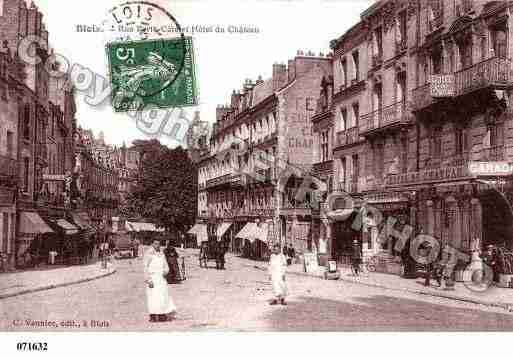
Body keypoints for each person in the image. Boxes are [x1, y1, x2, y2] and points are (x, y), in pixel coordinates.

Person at [144, 240, 177, 322]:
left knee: (162, 296)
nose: (157, 245)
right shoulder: (148, 254)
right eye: (155, 243)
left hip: (161, 278)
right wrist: (148, 279)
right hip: (152, 278)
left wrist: (166, 271)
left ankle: (162, 314)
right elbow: (145, 268)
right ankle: (153, 315)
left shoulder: (162, 254)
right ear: (152, 244)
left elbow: (166, 265)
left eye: (158, 244)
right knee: (153, 297)